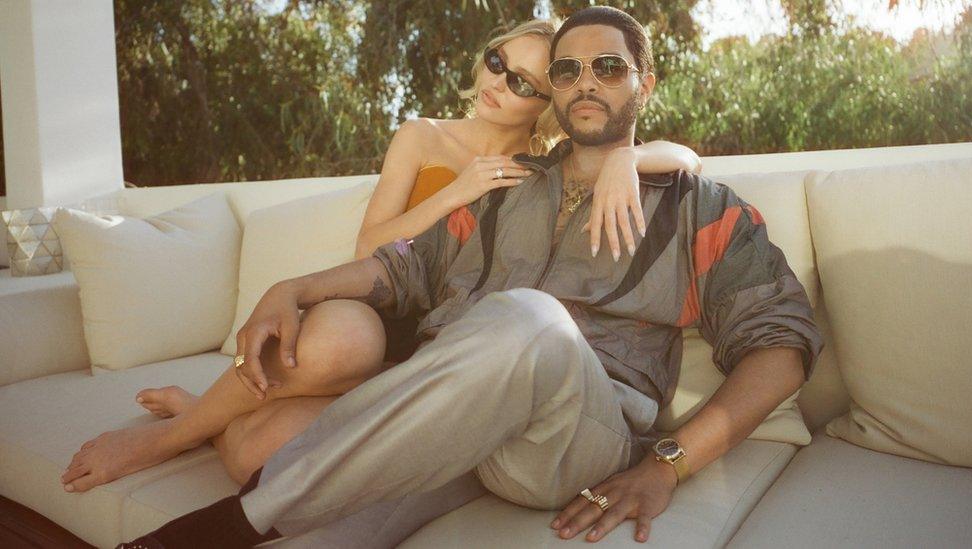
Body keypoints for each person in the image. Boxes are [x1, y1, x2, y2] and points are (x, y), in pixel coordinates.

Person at [116, 5, 823, 548]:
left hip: (574, 435)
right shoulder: (504, 190)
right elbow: (402, 267)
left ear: (646, 82)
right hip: (458, 423)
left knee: (528, 317)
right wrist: (294, 288)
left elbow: (782, 347)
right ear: (553, 93)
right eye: (568, 71)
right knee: (324, 530)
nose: (585, 83)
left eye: (608, 67)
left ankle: (223, 525)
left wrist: (668, 462)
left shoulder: (697, 206)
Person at [60, 18, 702, 494]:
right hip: (377, 311)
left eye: (525, 82)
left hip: (451, 345)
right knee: (340, 347)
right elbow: (373, 246)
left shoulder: (539, 168)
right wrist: (459, 187)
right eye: (496, 61)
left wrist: (623, 155)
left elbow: (684, 157)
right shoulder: (424, 135)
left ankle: (209, 417)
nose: (498, 84)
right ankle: (171, 434)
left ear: (549, 104)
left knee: (260, 457)